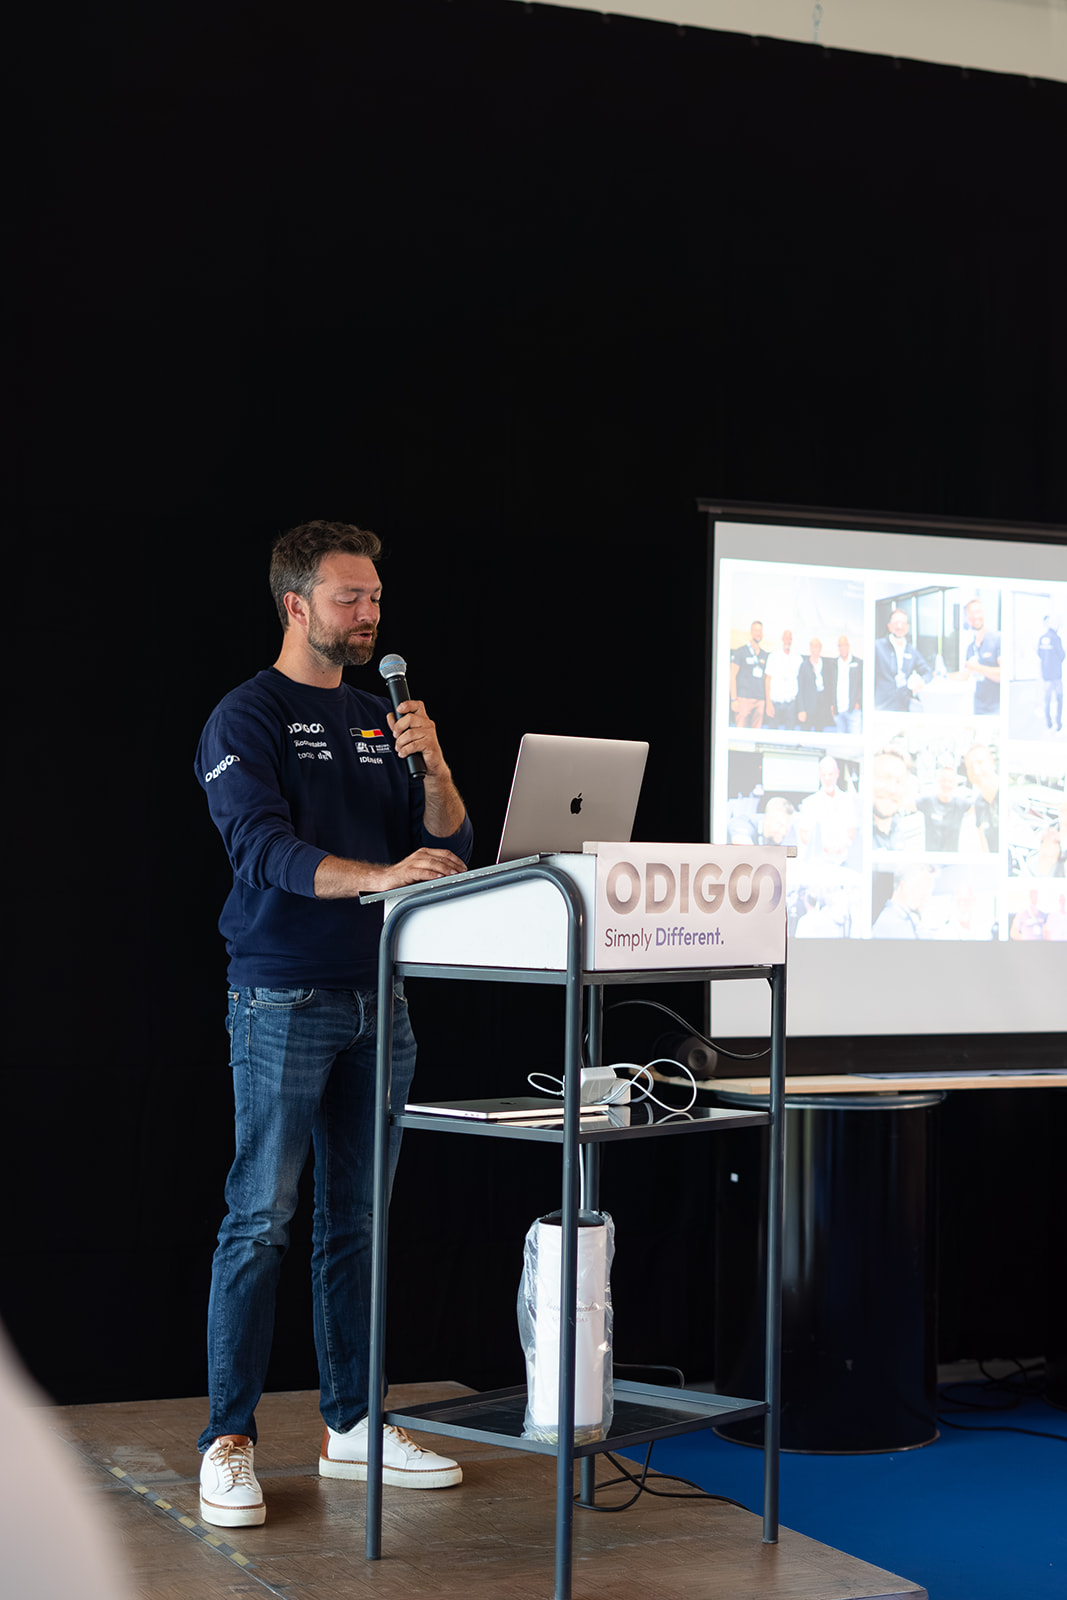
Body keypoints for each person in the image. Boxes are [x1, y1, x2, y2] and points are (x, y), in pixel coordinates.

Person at [194, 521, 474, 1529]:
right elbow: (261, 849)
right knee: (260, 1220)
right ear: (296, 604)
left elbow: (449, 841)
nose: (369, 614)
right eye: (350, 597)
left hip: (378, 1000)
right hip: (283, 998)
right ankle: (227, 1439)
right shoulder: (246, 716)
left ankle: (352, 1424)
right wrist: (378, 877)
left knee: (357, 1222)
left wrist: (433, 766)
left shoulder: (378, 715)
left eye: (376, 598)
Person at [797, 757, 857, 867]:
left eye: (830, 774)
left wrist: (845, 844)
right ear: (819, 776)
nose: (827, 778)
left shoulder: (847, 801)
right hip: (817, 864)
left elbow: (852, 830)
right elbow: (803, 834)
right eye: (823, 775)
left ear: (837, 773)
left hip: (842, 863)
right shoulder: (809, 802)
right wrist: (821, 846)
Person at [874, 609, 933, 711]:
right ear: (889, 626)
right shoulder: (877, 646)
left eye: (903, 623)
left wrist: (921, 682)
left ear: (907, 627)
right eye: (896, 623)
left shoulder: (911, 651)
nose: (899, 626)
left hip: (903, 707)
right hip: (880, 707)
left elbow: (928, 672)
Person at [871, 748, 924, 853]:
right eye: (883, 778)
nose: (892, 789)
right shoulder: (852, 834)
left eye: (899, 782)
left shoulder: (899, 831)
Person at [916, 759, 973, 851]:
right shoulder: (928, 802)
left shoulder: (961, 804)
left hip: (951, 858)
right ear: (939, 781)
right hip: (931, 858)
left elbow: (981, 808)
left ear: (955, 784)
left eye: (950, 781)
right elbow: (904, 803)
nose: (946, 784)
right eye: (944, 780)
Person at [960, 598, 1001, 715]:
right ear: (968, 619)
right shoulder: (970, 648)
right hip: (978, 707)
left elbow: (1002, 674)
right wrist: (943, 675)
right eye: (971, 614)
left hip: (996, 708)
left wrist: (977, 668)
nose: (975, 616)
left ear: (983, 614)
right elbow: (965, 675)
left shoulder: (997, 639)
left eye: (978, 612)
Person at [872, 864, 934, 938]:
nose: (927, 898)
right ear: (903, 887)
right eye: (923, 890)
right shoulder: (894, 924)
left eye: (928, 892)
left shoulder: (896, 916)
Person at [729, 621, 769, 727]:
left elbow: (766, 679)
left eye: (760, 631)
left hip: (759, 700)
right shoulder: (740, 652)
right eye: (756, 630)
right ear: (751, 632)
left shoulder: (764, 655)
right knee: (741, 732)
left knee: (756, 733)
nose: (758, 633)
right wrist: (733, 699)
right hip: (743, 699)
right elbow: (732, 675)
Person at [963, 743, 999, 854]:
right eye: (970, 767)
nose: (976, 771)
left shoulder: (1007, 795)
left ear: (993, 763)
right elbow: (985, 846)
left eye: (980, 762)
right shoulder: (979, 804)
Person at [763, 629, 800, 729]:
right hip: (775, 703)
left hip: (791, 704)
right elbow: (767, 680)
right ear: (782, 639)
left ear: (792, 640)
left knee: (790, 734)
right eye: (786, 638)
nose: (788, 640)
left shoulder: (797, 659)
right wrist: (768, 703)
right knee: (773, 734)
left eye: (790, 638)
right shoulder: (773, 657)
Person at [827, 635, 863, 735]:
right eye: (840, 646)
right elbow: (830, 686)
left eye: (844, 645)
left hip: (853, 710)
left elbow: (862, 685)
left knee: (855, 739)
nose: (842, 648)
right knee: (840, 739)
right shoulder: (834, 664)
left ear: (848, 646)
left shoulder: (858, 663)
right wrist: (832, 705)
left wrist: (858, 702)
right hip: (838, 710)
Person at [796, 639, 833, 731]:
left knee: (819, 733)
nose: (815, 649)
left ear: (820, 648)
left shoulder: (826, 665)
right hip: (808, 708)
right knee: (805, 733)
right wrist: (801, 709)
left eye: (817, 647)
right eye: (813, 647)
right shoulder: (804, 665)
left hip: (822, 707)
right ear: (810, 648)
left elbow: (830, 687)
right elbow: (800, 689)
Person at [1037, 616, 1064, 732]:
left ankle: (1048, 722)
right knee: (1059, 698)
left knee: (1047, 699)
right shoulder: (1056, 638)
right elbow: (1062, 655)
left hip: (1046, 674)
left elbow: (1039, 653)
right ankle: (1058, 722)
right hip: (1056, 675)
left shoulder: (1042, 638)